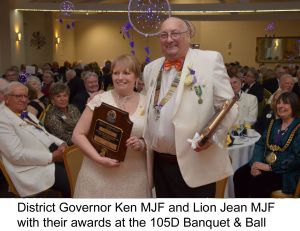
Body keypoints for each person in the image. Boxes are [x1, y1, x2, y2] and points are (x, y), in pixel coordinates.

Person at [142, 17, 238, 198]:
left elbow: (229, 106)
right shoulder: (150, 68)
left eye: (175, 33)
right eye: (163, 35)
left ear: (188, 36)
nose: (169, 39)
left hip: (196, 163)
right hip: (160, 165)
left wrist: (212, 136)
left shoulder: (210, 61)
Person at [72, 54, 150, 198]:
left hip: (134, 177)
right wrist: (98, 159)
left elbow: (153, 138)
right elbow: (77, 135)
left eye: (126, 73)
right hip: (97, 176)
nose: (120, 77)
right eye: (116, 73)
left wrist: (142, 143)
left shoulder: (147, 103)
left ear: (136, 77)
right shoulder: (100, 100)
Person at [0, 82, 70, 197]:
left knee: (80, 171)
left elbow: (45, 133)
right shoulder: (3, 120)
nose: (23, 100)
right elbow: (16, 155)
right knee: (73, 180)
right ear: (7, 99)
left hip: (50, 154)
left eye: (25, 96)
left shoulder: (24, 113)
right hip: (33, 167)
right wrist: (52, 157)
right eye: (18, 96)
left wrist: (61, 143)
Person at [234, 92, 300, 197]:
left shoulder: (298, 126)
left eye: (286, 103)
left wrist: (270, 167)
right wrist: (256, 163)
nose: (281, 106)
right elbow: (260, 144)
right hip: (264, 163)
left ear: (294, 106)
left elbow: (297, 158)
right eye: (279, 103)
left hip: (285, 172)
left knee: (258, 183)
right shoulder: (274, 123)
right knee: (240, 175)